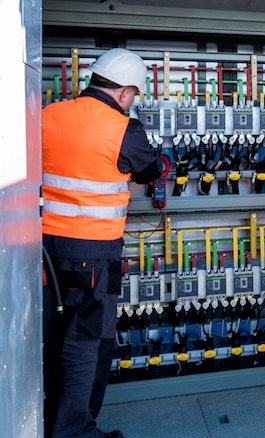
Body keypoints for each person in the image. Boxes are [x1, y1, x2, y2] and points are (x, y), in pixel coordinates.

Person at [42, 48, 163, 438]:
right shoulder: (123, 128)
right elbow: (148, 170)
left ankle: (46, 423)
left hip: (42, 252)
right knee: (86, 345)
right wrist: (162, 162)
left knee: (50, 340)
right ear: (126, 93)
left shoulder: (47, 116)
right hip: (94, 257)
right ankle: (75, 433)